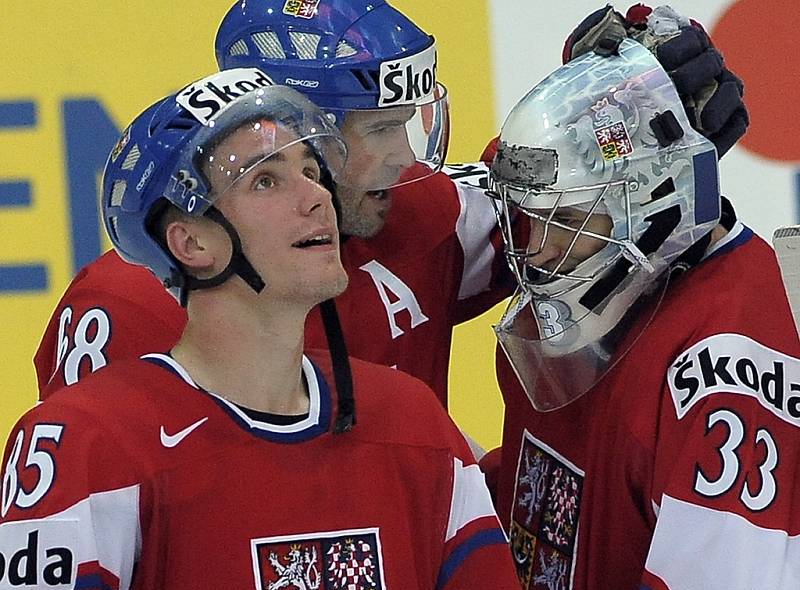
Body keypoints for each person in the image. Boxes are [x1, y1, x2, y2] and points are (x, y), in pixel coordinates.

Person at [32, 2, 746, 418]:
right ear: (289, 128)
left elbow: (564, 213)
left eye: (410, 122)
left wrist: (609, 114)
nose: (406, 158)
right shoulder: (123, 307)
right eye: (378, 129)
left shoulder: (416, 217)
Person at [0, 71, 522, 590]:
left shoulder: (412, 420)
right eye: (266, 180)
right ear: (191, 244)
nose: (318, 197)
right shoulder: (84, 445)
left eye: (313, 170)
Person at [487, 24, 800, 590]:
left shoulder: (726, 368)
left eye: (565, 221)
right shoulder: (589, 292)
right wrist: (595, 97)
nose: (535, 250)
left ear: (655, 203)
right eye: (529, 219)